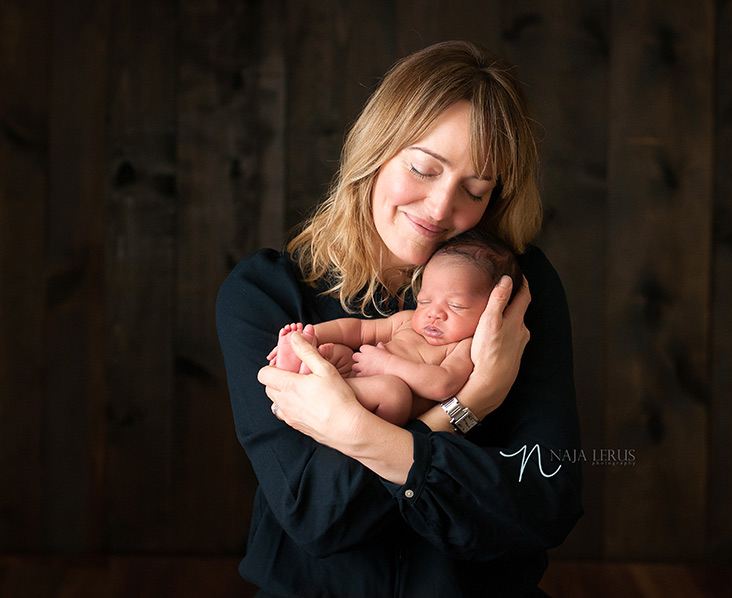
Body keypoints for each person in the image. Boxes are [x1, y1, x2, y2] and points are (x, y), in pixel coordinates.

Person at [217, 40, 582, 597]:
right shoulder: (266, 296)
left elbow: (545, 499)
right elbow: (316, 516)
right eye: (422, 168)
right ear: (375, 150)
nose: (440, 208)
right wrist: (466, 406)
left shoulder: (513, 293)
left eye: (475, 190)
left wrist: (355, 433)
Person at [268, 229, 524, 426]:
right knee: (338, 352)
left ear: (491, 309)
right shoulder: (407, 321)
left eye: (456, 306)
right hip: (357, 383)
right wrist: (313, 334)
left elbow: (443, 385)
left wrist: (387, 365)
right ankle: (300, 361)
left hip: (385, 411)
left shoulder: (465, 347)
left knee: (395, 391)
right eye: (425, 300)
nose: (434, 313)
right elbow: (357, 330)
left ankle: (317, 388)